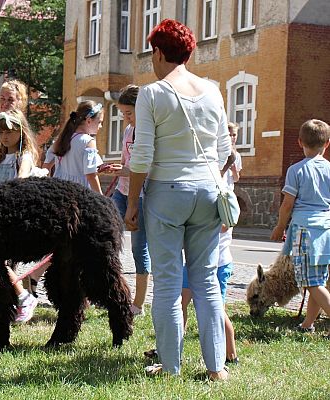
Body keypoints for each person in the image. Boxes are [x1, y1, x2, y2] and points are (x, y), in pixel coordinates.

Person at [125, 19, 231, 379]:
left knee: (168, 282)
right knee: (207, 280)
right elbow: (224, 150)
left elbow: (142, 155)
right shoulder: (213, 91)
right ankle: (216, 368)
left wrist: (134, 201)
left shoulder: (152, 93)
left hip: (167, 192)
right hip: (207, 191)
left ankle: (170, 366)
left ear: (157, 52)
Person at [181, 121, 242, 364]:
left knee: (217, 309)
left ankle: (231, 353)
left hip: (217, 261)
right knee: (181, 301)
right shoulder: (215, 187)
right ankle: (173, 343)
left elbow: (226, 225)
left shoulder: (223, 193)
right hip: (198, 260)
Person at [270, 119, 330, 336]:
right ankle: (307, 324)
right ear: (328, 143)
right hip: (326, 228)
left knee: (310, 282)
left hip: (304, 230)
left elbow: (288, 204)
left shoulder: (296, 170)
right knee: (318, 279)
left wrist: (279, 226)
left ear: (299, 142)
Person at [101, 85, 151, 316]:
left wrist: (123, 171)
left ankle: (138, 305)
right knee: (104, 236)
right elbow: (127, 163)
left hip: (142, 196)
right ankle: (111, 292)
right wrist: (117, 168)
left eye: (129, 113)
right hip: (121, 191)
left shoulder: (151, 133)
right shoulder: (128, 131)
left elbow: (147, 169)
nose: (126, 119)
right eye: (123, 114)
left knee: (139, 249)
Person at [0, 108, 46, 322]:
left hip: (15, 214)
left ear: (21, 132)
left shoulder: (23, 156)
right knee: (0, 262)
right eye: (1, 133)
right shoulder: (2, 158)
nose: (5, 136)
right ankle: (11, 301)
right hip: (1, 214)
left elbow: (21, 179)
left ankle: (25, 297)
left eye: (10, 132)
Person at [51, 100, 104, 194]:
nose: (101, 126)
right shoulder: (88, 141)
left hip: (59, 188)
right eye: (99, 122)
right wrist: (101, 198)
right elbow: (91, 174)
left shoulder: (64, 138)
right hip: (79, 191)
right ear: (89, 121)